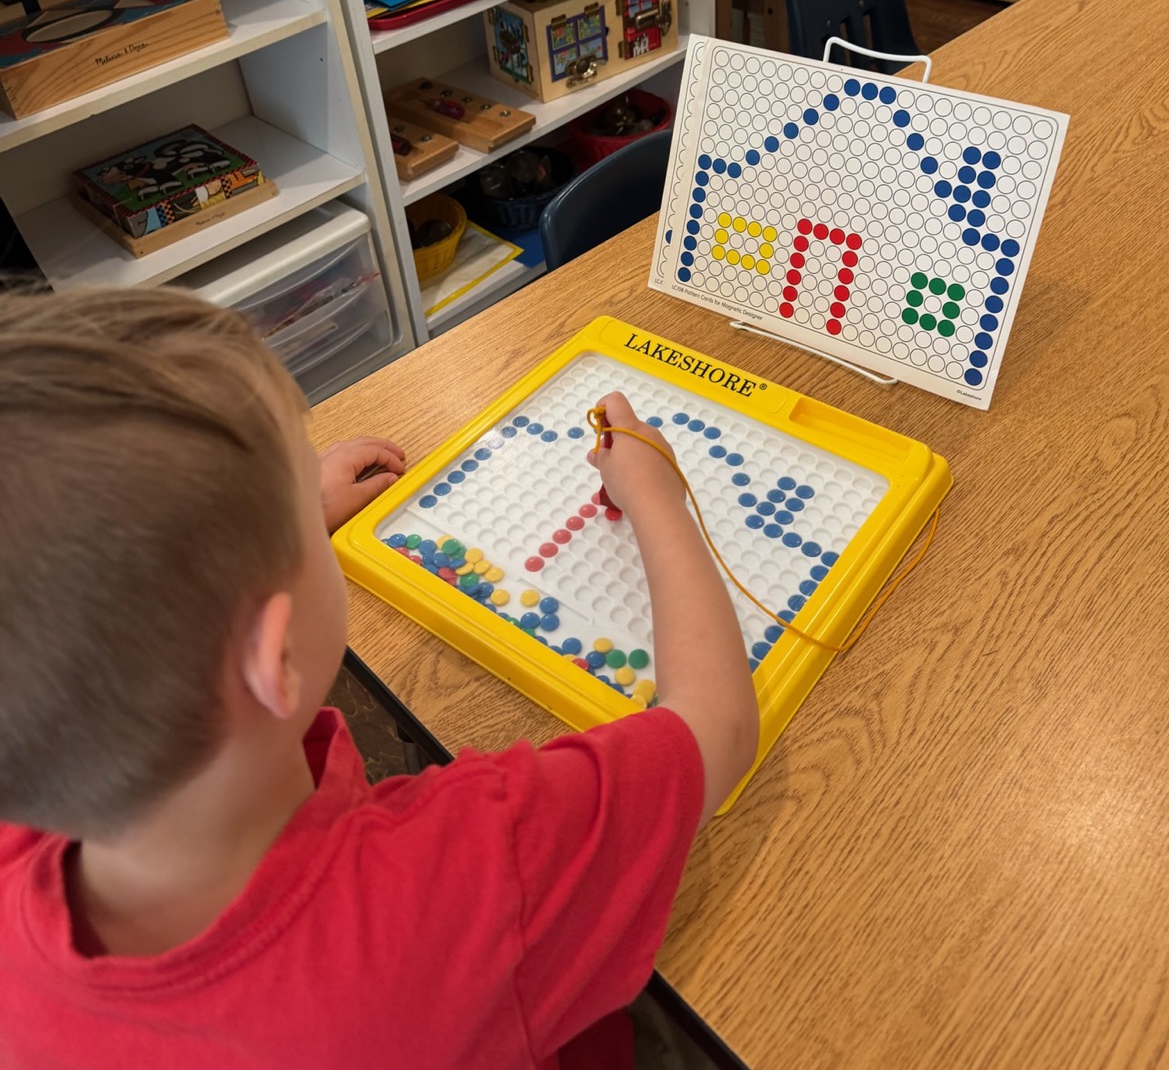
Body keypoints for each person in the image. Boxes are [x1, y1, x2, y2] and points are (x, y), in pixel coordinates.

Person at [0, 286, 758, 1069]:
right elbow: (719, 726)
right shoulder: (470, 875)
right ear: (276, 656)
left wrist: (270, 527)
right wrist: (656, 494)